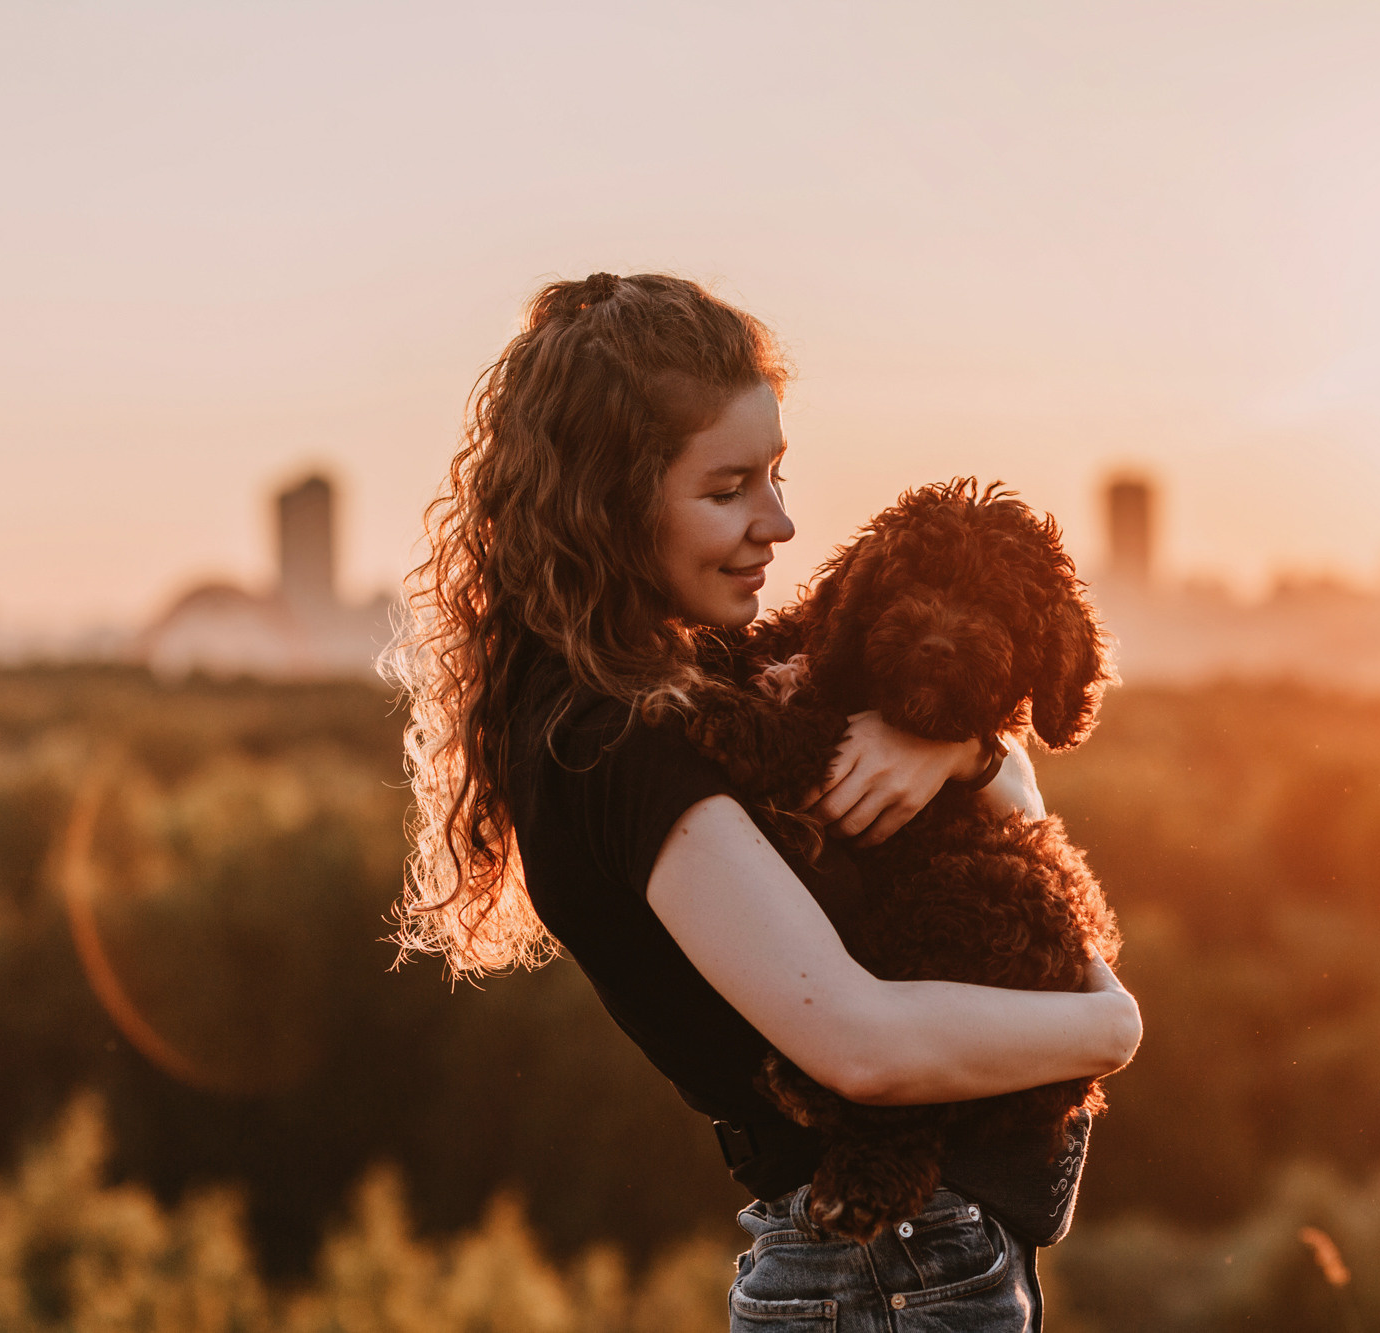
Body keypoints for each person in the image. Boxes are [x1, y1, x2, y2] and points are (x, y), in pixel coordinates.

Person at [389, 271, 1141, 1331]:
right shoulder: (618, 745)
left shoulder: (692, 688)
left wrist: (958, 753)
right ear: (608, 504)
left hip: (911, 1266)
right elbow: (861, 1046)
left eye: (775, 475)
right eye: (727, 488)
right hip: (885, 1274)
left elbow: (1008, 787)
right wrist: (1106, 1026)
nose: (778, 523)